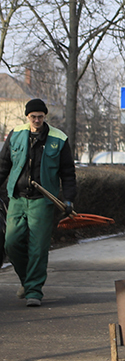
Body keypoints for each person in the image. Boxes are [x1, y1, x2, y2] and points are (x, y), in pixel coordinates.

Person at [0, 98, 77, 307]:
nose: (36, 120)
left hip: (42, 201)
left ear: (45, 117)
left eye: (40, 117)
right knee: (12, 243)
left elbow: (68, 173)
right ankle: (27, 280)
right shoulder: (16, 135)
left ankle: (34, 291)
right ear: (27, 117)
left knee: (38, 248)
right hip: (17, 198)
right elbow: (3, 165)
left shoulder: (58, 139)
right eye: (33, 117)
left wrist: (68, 199)